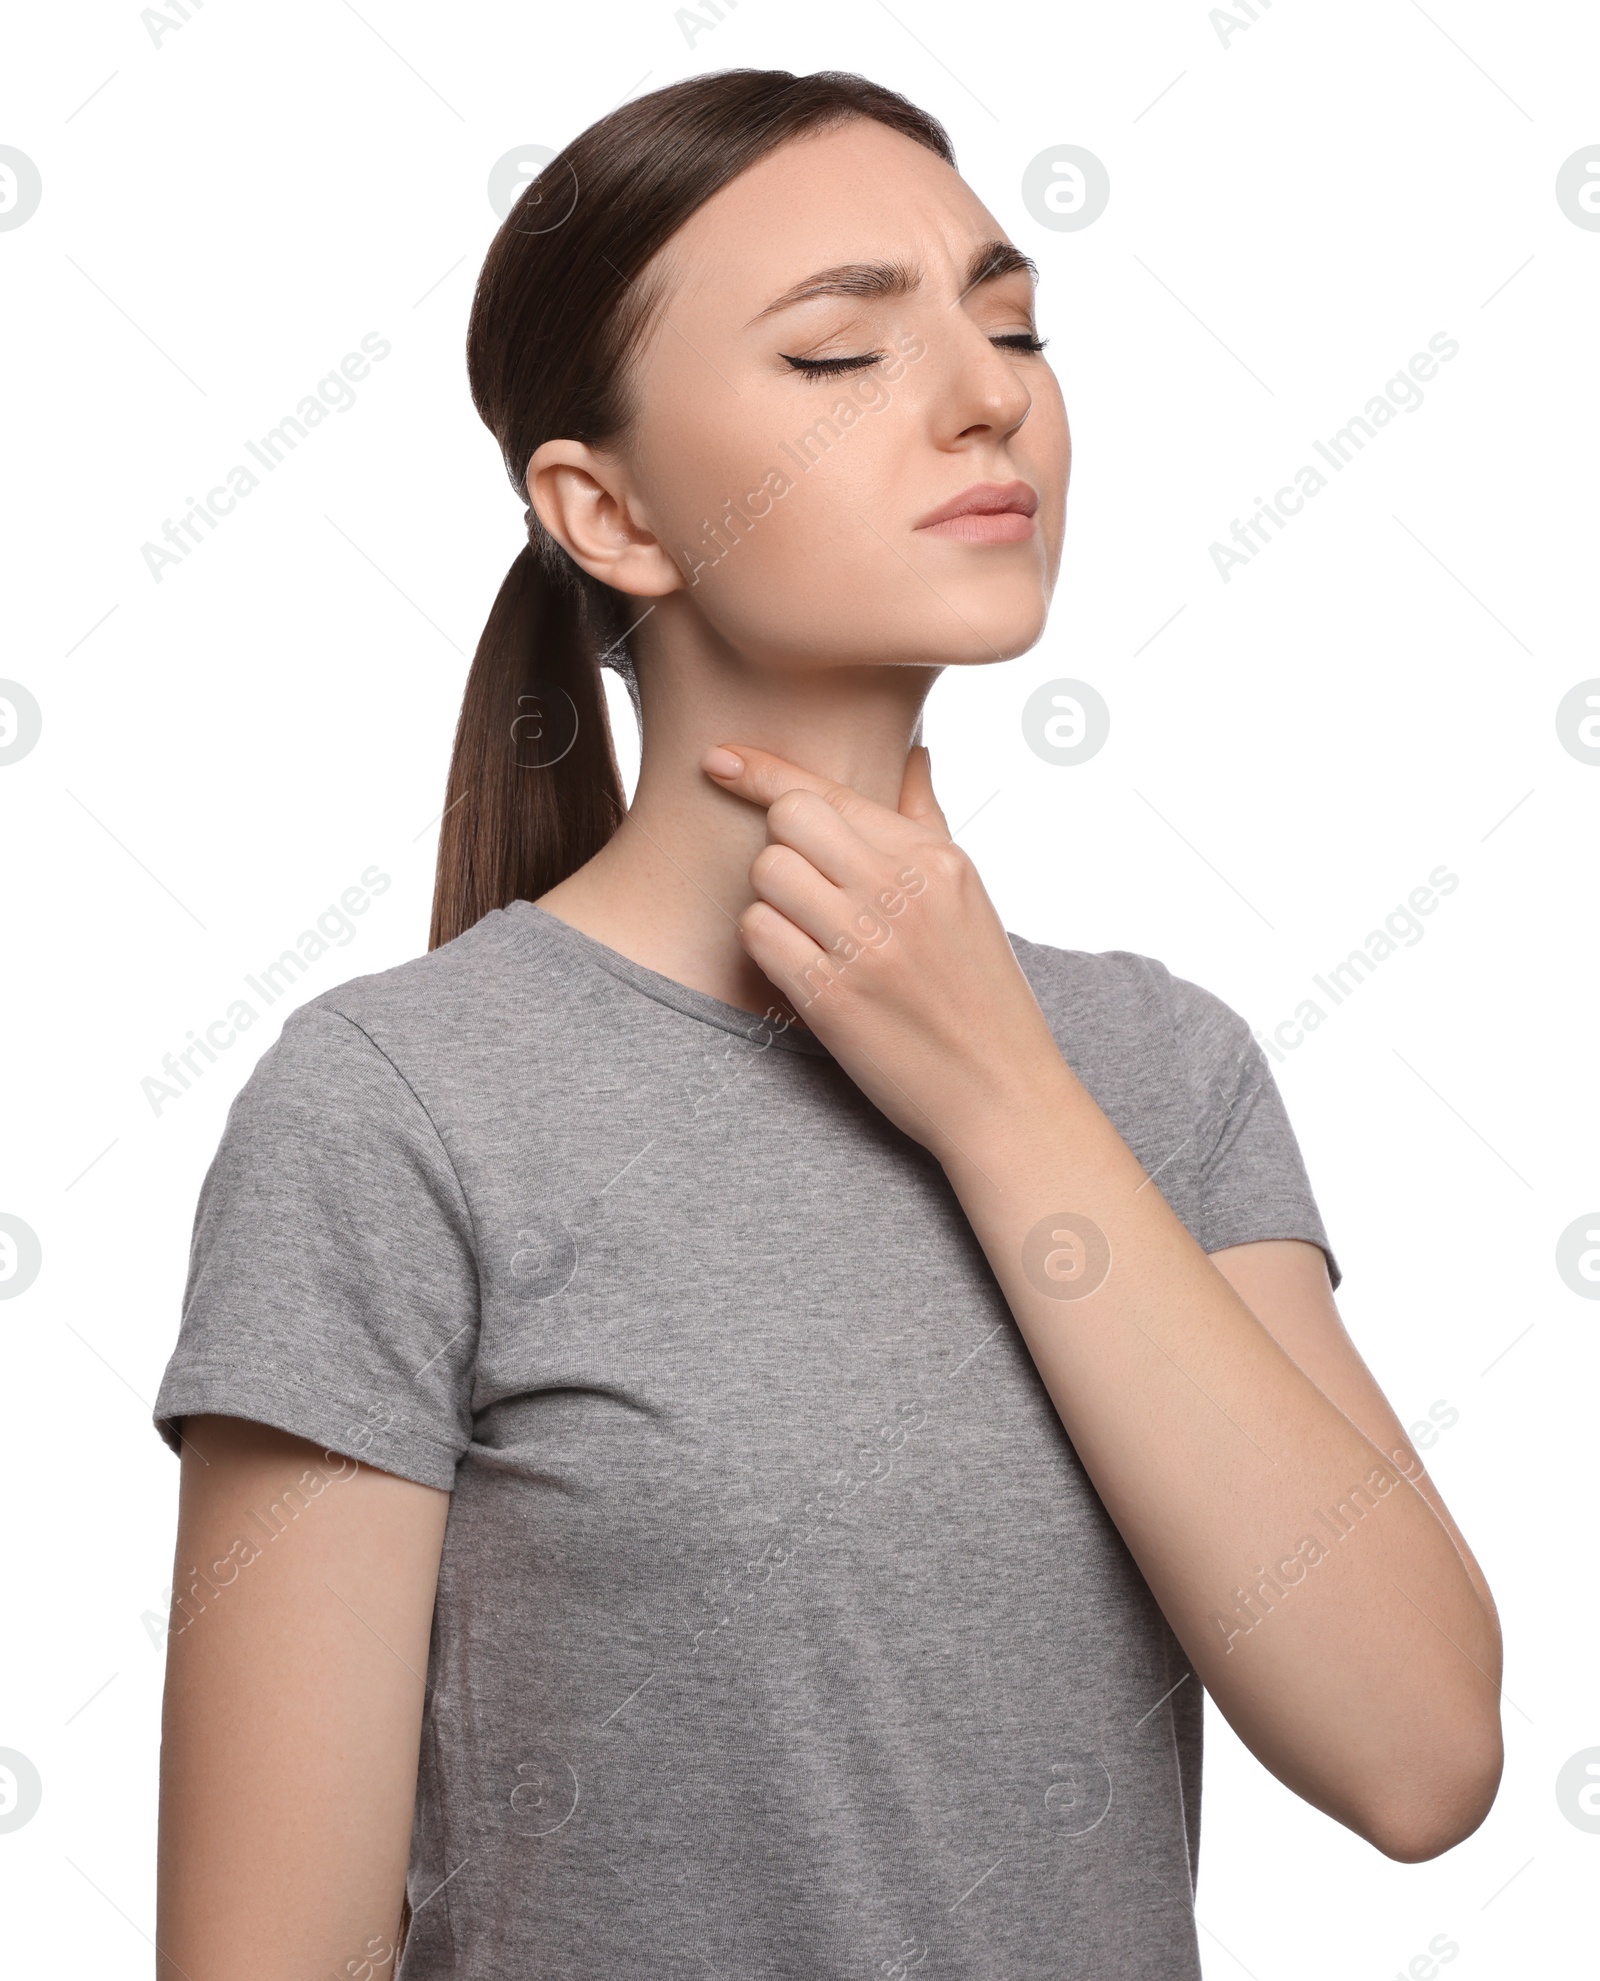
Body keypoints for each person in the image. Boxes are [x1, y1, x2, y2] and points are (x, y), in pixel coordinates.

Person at [151, 68, 1502, 1981]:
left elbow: (1423, 1755)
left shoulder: (1156, 1073)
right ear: (604, 509)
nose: (988, 391)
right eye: (842, 352)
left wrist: (1000, 1089)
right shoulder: (399, 1111)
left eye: (1011, 320)